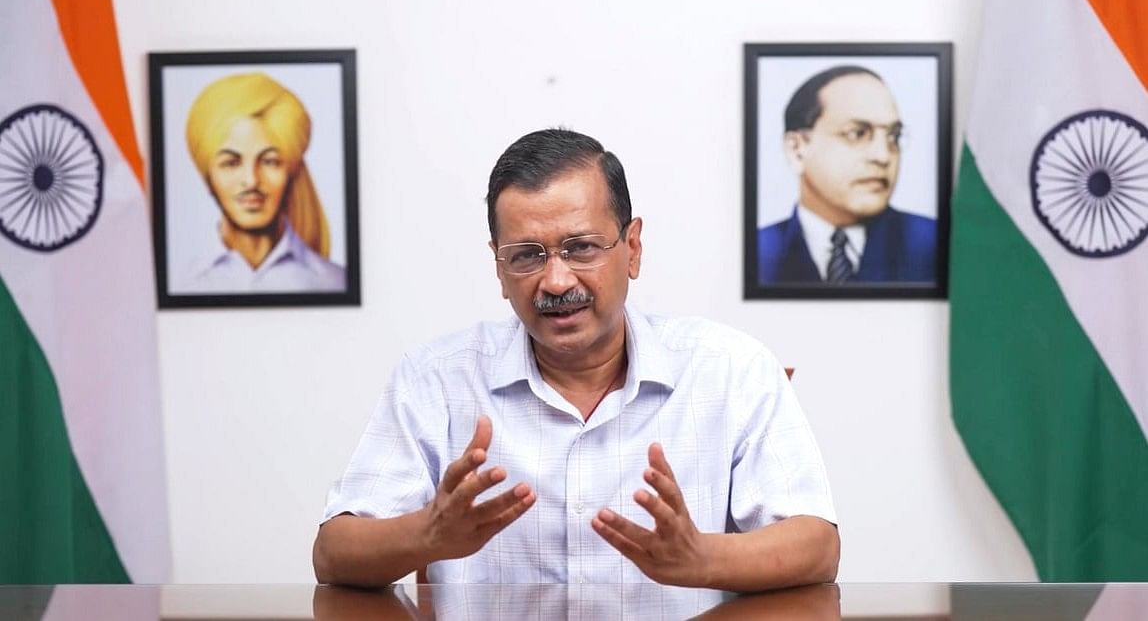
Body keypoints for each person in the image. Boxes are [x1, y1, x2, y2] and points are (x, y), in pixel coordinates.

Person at [314, 128, 838, 591]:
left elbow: (816, 546)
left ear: (632, 248)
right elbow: (334, 553)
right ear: (499, 267)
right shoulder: (435, 378)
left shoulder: (732, 369)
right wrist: (426, 533)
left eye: (581, 248)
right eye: (526, 255)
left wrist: (702, 558)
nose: (556, 281)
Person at [757, 65, 937, 285]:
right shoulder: (758, 251)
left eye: (894, 136)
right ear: (797, 149)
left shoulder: (934, 245)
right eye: (857, 133)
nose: (883, 156)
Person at [175, 72, 345, 293]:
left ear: (291, 171)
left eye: (269, 161)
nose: (252, 180)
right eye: (231, 163)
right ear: (208, 177)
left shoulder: (335, 282)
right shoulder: (179, 282)